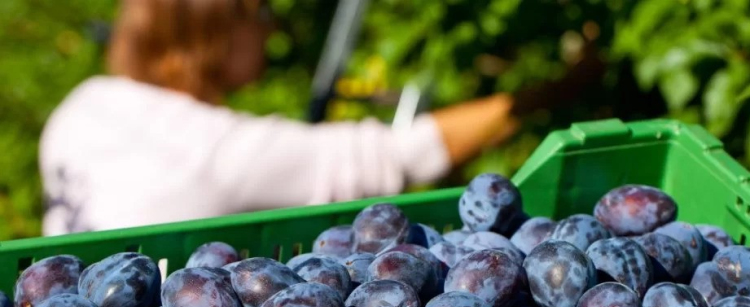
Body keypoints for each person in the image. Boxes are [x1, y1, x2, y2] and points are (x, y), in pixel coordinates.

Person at [39, 0, 598, 236]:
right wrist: (549, 93)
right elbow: (397, 157)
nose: (270, 27)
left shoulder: (81, 108)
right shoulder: (216, 153)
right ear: (211, 35)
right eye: (256, 12)